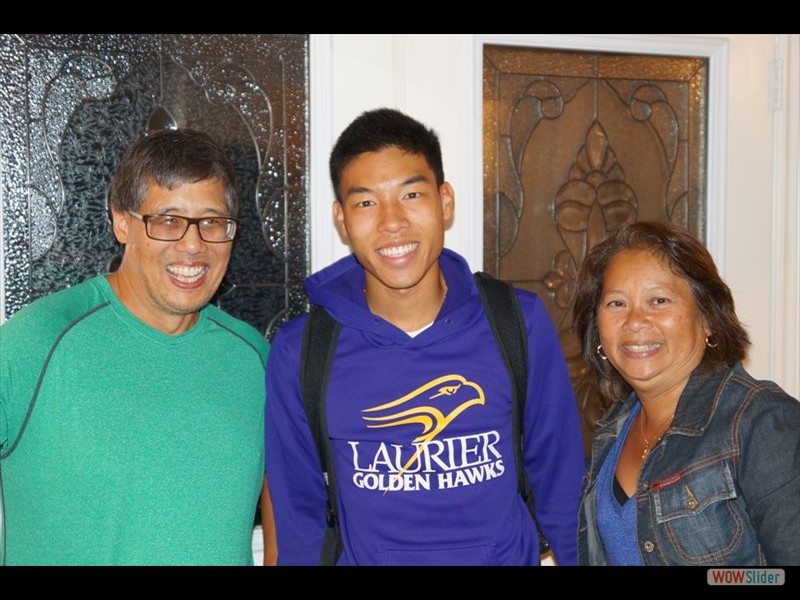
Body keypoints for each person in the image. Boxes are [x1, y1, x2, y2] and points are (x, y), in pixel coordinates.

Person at [265, 108, 583, 566]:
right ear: (341, 219)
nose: (392, 222)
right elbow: (299, 514)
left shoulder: (517, 322)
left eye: (411, 194)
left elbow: (561, 481)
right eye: (366, 202)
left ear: (445, 201)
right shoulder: (301, 351)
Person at [0, 129, 277, 565]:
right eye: (167, 220)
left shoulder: (255, 360)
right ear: (122, 222)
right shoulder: (34, 344)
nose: (193, 245)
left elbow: (287, 513)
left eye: (211, 222)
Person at [572, 220, 799, 566]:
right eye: (616, 304)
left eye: (658, 300)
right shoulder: (611, 431)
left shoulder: (761, 422)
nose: (635, 321)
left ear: (708, 317)